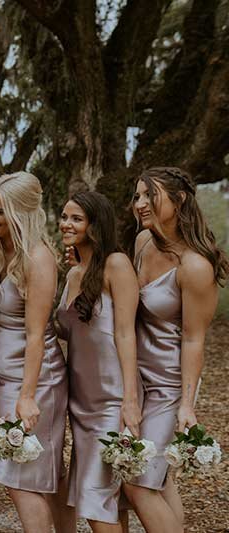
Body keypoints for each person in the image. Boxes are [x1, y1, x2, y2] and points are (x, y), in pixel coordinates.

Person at [123, 167, 228, 533]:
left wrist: (187, 405)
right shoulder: (142, 243)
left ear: (179, 200)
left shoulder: (196, 266)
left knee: (137, 481)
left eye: (148, 196)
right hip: (135, 377)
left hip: (170, 386)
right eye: (136, 197)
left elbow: (193, 339)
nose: (139, 205)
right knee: (157, 479)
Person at [0, 172, 72, 533]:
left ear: (21, 213)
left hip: (37, 380)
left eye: (0, 211)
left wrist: (28, 396)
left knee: (20, 476)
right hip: (7, 380)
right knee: (46, 471)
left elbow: (36, 334)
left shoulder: (38, 258)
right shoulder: (0, 250)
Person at [56, 192, 140, 532]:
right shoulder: (74, 273)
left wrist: (130, 400)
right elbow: (70, 330)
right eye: (64, 216)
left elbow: (125, 333)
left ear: (96, 224)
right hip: (81, 400)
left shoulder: (117, 264)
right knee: (108, 500)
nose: (66, 223)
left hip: (112, 398)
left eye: (76, 218)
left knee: (94, 498)